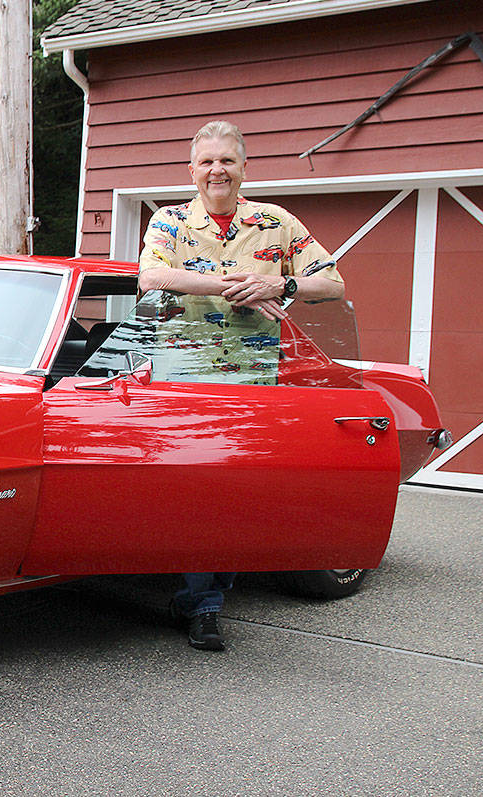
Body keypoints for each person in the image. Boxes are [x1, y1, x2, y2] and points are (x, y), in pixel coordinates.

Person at [138, 120, 345, 651]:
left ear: (243, 166)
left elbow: (334, 282)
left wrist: (281, 282)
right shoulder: (170, 221)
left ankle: (205, 600)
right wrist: (236, 287)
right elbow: (152, 277)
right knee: (190, 491)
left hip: (254, 381)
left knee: (236, 491)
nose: (217, 171)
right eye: (206, 161)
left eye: (226, 161)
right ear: (192, 169)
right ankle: (198, 598)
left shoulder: (277, 224)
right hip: (183, 377)